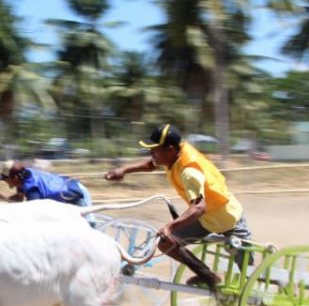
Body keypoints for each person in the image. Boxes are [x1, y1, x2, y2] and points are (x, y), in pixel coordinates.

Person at [105, 123, 250, 291]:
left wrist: (170, 225)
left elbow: (199, 208)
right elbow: (151, 164)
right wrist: (123, 170)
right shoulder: (172, 157)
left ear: (170, 150)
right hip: (205, 220)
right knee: (166, 242)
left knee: (250, 272)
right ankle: (208, 276)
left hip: (228, 219)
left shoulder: (189, 172)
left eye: (155, 150)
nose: (151, 154)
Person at [0, 160, 92, 206]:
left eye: (6, 178)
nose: (4, 180)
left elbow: (34, 211)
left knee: (89, 227)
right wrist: (3, 198)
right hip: (70, 188)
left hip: (76, 193)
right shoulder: (24, 177)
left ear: (15, 178)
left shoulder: (32, 189)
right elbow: (19, 199)